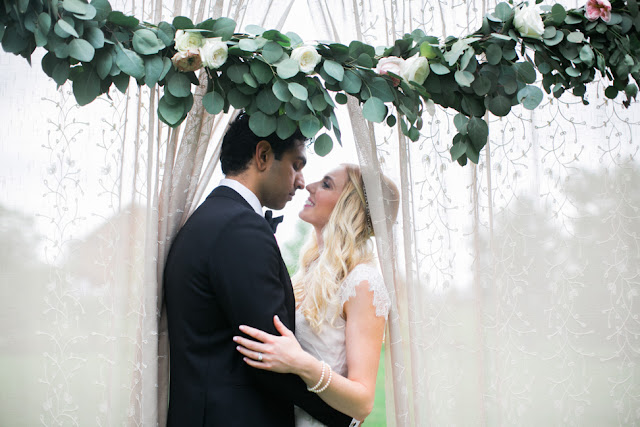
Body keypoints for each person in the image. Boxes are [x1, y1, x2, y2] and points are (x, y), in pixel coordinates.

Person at [163, 112, 353, 426]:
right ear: (263, 155)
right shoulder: (240, 228)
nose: (302, 181)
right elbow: (269, 353)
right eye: (296, 164)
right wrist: (343, 415)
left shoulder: (208, 218)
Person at [234, 164, 400, 426]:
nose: (309, 186)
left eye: (326, 184)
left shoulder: (362, 281)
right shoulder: (308, 271)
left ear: (348, 207)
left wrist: (300, 363)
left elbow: (364, 402)